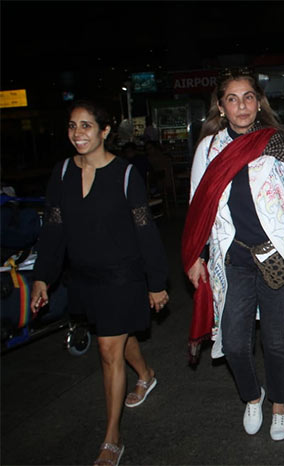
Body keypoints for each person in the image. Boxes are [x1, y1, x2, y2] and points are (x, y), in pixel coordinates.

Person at [183, 71, 284, 442]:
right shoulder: (208, 149)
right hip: (232, 258)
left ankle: (279, 406)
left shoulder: (279, 143)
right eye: (232, 99)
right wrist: (195, 255)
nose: (241, 106)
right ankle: (253, 396)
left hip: (278, 256)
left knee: (276, 341)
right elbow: (198, 205)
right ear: (221, 106)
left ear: (259, 101)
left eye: (248, 97)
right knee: (234, 343)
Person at [30, 101, 168, 466]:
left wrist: (156, 282)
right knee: (118, 338)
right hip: (85, 276)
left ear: (105, 131)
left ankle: (112, 438)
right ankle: (146, 373)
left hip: (122, 275)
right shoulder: (61, 173)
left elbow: (146, 231)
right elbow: (54, 228)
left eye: (87, 126)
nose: (78, 133)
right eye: (73, 126)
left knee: (108, 349)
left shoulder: (125, 175)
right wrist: (43, 276)